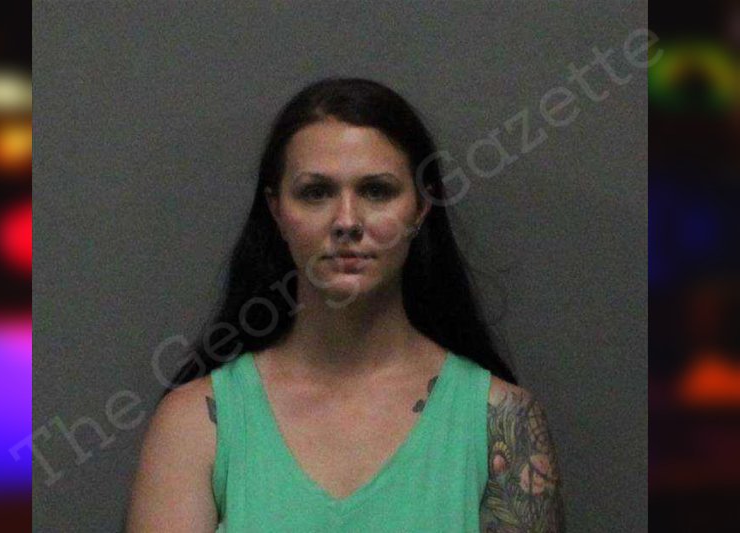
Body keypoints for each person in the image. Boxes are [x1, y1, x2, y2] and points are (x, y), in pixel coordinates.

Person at [126, 77, 565, 532]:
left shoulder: (501, 423)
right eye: (316, 192)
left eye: (377, 191)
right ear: (277, 211)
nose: (347, 221)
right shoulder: (196, 424)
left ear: (420, 207)